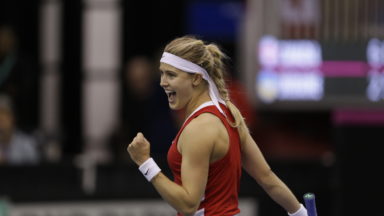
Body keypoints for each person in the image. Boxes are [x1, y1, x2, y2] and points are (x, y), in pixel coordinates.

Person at [127, 36, 307, 216]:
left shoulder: (199, 129)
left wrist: (145, 163)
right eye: (162, 73)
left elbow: (188, 205)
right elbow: (267, 178)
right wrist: (301, 213)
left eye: (171, 75)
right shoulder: (229, 113)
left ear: (196, 79)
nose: (162, 82)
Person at [0, 94, 40, 165]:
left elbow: (36, 172)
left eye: (5, 115)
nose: (1, 120)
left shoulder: (26, 144)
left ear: (13, 118)